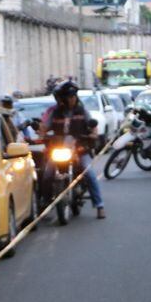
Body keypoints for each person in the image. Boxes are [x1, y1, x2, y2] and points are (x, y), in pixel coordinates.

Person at [40, 81, 106, 217]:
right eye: (68, 96)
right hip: (59, 150)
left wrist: (93, 133)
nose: (71, 99)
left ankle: (99, 206)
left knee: (90, 174)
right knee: (47, 174)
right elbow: (45, 127)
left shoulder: (82, 111)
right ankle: (45, 203)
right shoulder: (55, 113)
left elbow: (92, 125)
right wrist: (41, 131)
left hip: (80, 150)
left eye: (73, 96)